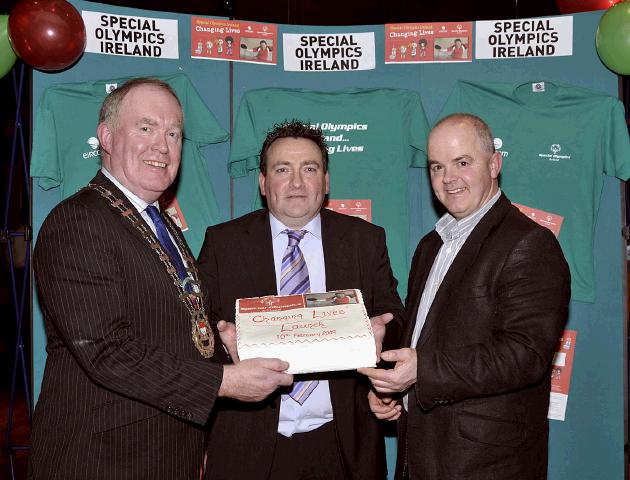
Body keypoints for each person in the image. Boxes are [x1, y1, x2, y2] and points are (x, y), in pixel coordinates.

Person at [30, 78, 293, 479]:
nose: (163, 145)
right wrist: (221, 380)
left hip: (167, 450)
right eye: (146, 128)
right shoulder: (78, 220)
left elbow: (168, 326)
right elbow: (105, 350)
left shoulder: (158, 221)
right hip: (103, 460)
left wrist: (223, 346)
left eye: (173, 133)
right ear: (106, 136)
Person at [359, 113, 570, 480]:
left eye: (462, 162)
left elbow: (525, 354)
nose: (448, 178)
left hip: (486, 464)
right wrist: (396, 387)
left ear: (494, 164)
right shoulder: (432, 244)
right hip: (421, 455)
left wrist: (421, 371)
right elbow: (428, 337)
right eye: (437, 166)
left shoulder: (529, 243)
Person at [197, 119, 405, 480]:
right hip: (249, 447)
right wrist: (226, 351)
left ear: (325, 182)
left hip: (342, 447)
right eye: (282, 169)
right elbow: (196, 337)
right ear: (263, 183)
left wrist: (381, 349)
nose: (296, 182)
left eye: (309, 169)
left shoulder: (364, 241)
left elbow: (395, 320)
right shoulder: (223, 244)